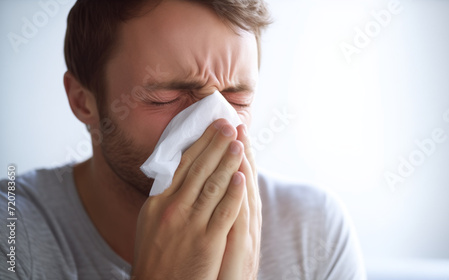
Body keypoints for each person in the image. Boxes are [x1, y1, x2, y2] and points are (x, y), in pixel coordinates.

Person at [0, 0, 366, 279]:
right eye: (166, 98)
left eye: (237, 99)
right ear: (83, 101)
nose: (214, 126)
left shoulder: (314, 230)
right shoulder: (14, 233)